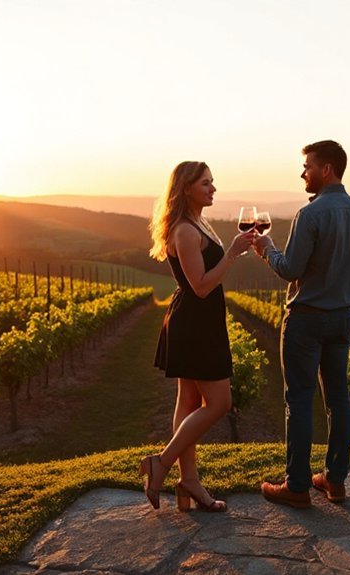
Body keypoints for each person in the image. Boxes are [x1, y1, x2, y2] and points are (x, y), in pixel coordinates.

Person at [253, 140, 350, 508]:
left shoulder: (309, 215)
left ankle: (297, 486)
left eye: (307, 166)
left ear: (326, 169)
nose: (302, 173)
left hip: (306, 320)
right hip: (342, 318)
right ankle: (335, 481)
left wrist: (267, 249)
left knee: (299, 400)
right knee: (339, 399)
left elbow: (290, 269)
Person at [142, 161, 257, 512]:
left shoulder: (197, 223)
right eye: (206, 183)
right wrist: (233, 252)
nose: (213, 189)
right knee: (219, 403)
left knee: (189, 402)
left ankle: (188, 482)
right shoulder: (185, 231)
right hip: (195, 324)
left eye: (212, 182)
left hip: (199, 322)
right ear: (186, 188)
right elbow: (202, 287)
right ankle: (161, 463)